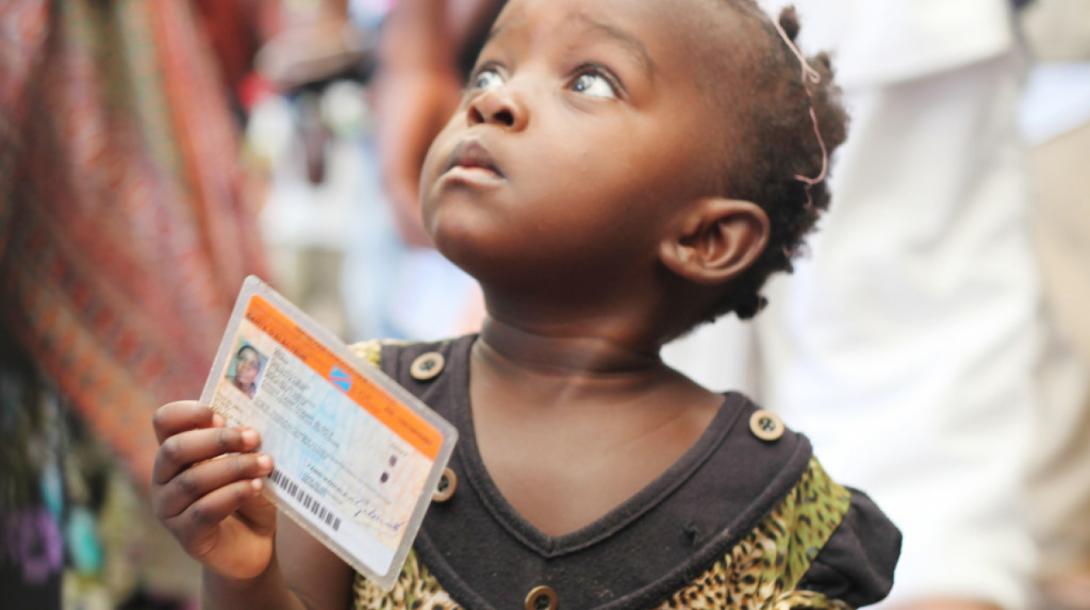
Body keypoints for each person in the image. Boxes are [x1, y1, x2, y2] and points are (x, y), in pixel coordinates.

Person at [149, 1, 902, 608]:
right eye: (487, 71)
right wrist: (244, 578)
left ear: (707, 237)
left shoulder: (776, 508)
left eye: (591, 82)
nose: (496, 101)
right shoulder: (362, 408)